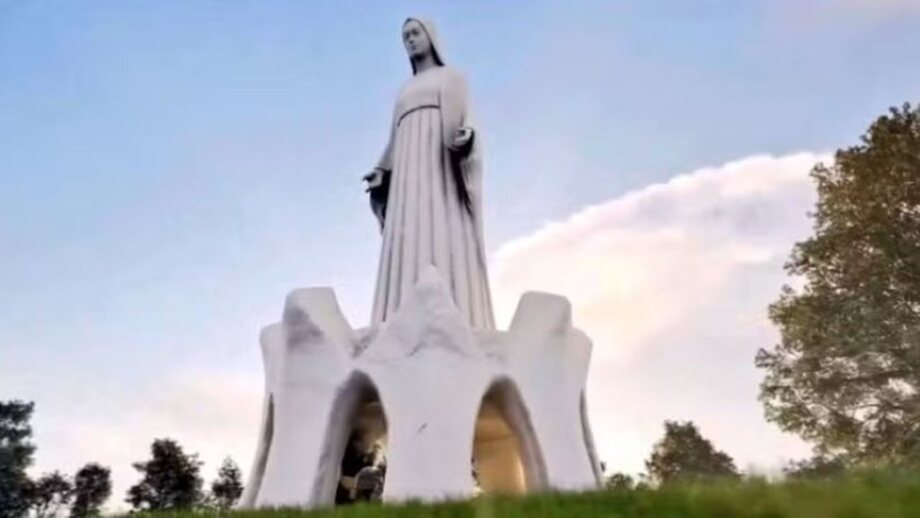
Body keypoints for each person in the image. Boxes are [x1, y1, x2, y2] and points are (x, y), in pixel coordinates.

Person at [364, 18, 495, 329]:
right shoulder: (405, 90)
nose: (409, 40)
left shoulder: (452, 78)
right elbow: (395, 140)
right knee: (410, 232)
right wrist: (382, 169)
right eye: (405, 36)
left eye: (415, 33)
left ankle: (455, 311)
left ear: (430, 36)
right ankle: (402, 317)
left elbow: (469, 117)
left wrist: (469, 136)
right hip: (408, 178)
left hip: (441, 171)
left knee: (442, 225)